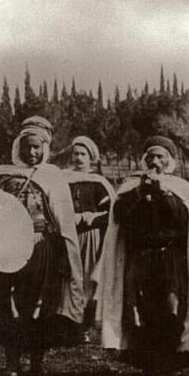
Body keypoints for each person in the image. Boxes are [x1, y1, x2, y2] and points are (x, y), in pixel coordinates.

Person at [92, 135, 189, 376]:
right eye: (151, 157)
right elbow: (121, 215)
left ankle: (170, 364)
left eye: (161, 157)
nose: (155, 162)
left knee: (171, 307)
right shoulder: (130, 187)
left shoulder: (180, 188)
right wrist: (140, 193)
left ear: (170, 161)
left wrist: (163, 193)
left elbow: (182, 220)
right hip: (141, 258)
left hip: (170, 258)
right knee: (142, 309)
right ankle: (148, 364)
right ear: (144, 160)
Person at [0, 116, 86, 376]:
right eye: (27, 146)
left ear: (45, 149)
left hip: (42, 249)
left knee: (40, 304)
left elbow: (62, 221)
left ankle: (37, 361)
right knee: (10, 303)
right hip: (8, 249)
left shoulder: (52, 177)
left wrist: (63, 254)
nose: (31, 152)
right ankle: (12, 361)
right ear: (18, 146)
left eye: (37, 147)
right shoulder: (1, 175)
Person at [66, 135, 115, 342]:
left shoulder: (98, 182)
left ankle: (84, 327)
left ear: (91, 157)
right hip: (67, 235)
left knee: (86, 280)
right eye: (76, 154)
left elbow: (111, 212)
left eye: (83, 154)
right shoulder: (62, 179)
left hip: (89, 237)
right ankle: (68, 324)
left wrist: (92, 216)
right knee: (68, 279)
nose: (78, 158)